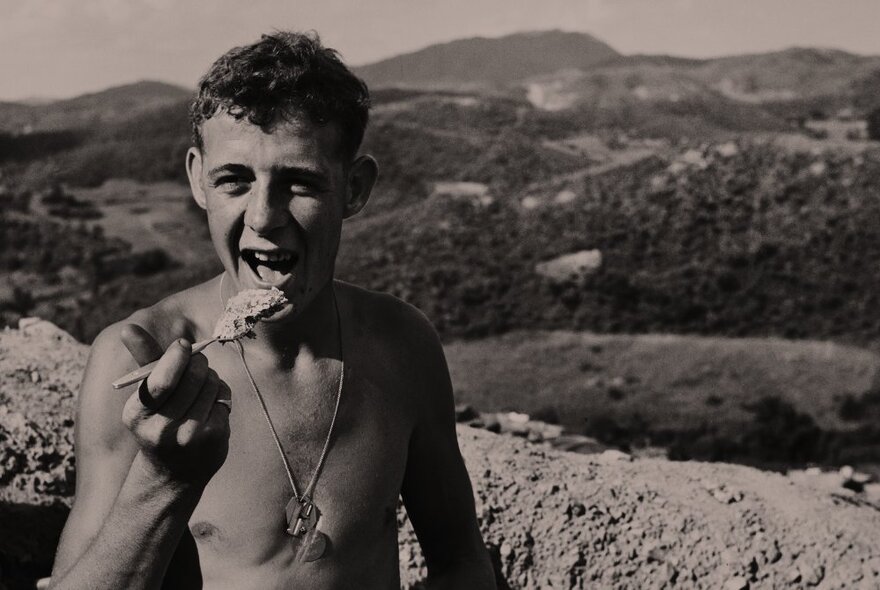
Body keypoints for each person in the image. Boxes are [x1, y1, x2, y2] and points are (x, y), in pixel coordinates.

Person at [48, 31, 495, 589]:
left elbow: (461, 560)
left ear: (354, 188)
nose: (263, 216)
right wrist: (163, 480)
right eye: (234, 180)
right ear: (197, 180)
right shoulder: (135, 358)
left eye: (299, 182)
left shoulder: (401, 346)